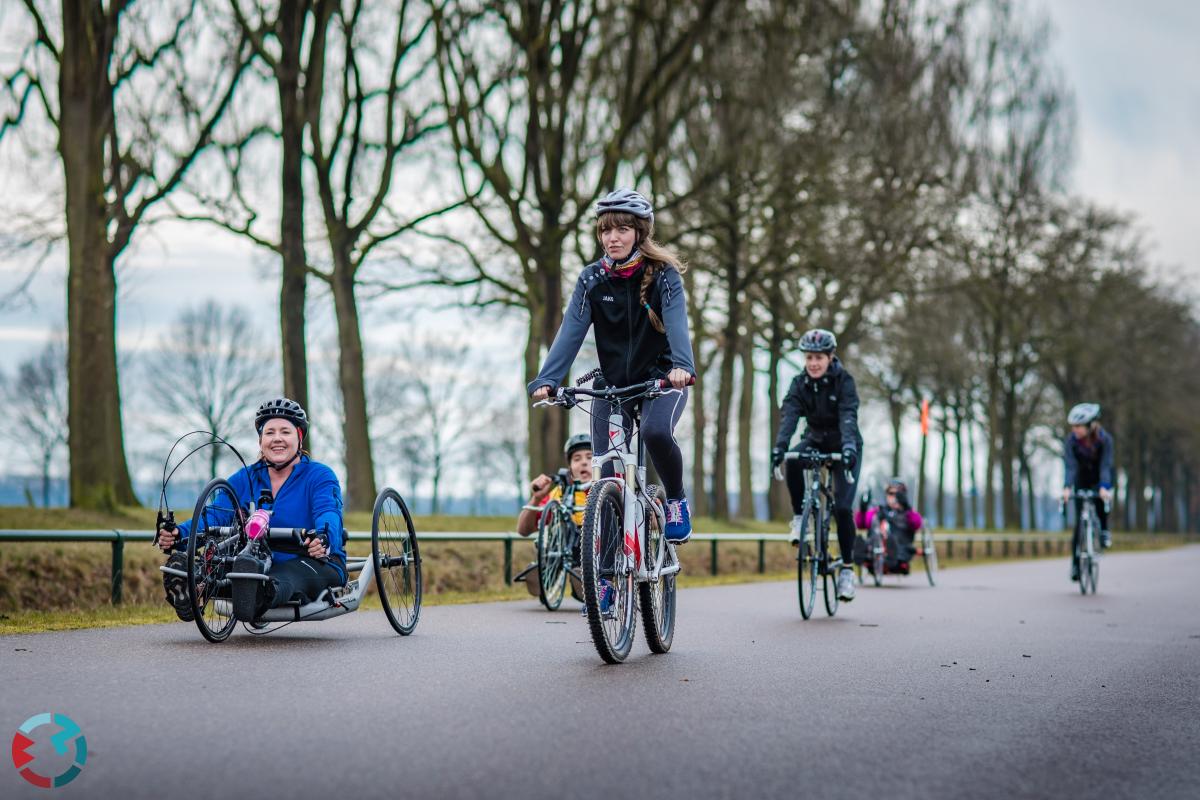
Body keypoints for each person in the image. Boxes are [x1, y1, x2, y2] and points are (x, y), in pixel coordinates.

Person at [528, 188, 696, 544]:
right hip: (613, 384)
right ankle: (604, 580)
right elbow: (571, 331)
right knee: (606, 478)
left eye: (621, 229)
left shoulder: (664, 275)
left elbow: (678, 324)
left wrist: (681, 367)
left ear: (639, 232)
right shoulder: (592, 279)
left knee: (654, 433)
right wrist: (548, 379)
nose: (612, 237)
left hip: (661, 380)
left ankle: (677, 499)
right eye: (606, 230)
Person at [157, 398, 347, 622]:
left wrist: (324, 537)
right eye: (270, 433)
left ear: (299, 437)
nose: (277, 439)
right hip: (256, 559)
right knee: (237, 570)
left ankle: (258, 592)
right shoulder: (245, 478)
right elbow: (214, 516)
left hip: (310, 558)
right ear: (260, 440)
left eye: (285, 432)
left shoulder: (320, 476)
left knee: (283, 578)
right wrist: (179, 535)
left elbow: (329, 512)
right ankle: (195, 585)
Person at [771, 329, 863, 602]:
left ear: (830, 357)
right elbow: (789, 415)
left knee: (844, 508)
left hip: (845, 445)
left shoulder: (844, 381)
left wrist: (848, 449)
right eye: (809, 357)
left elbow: (848, 416)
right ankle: (800, 518)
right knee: (794, 461)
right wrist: (780, 447)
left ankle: (847, 570)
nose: (813, 363)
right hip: (814, 440)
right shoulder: (800, 383)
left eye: (819, 358)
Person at [1062, 402, 1114, 577]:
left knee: (1101, 504)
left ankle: (1104, 531)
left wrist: (1104, 486)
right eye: (1073, 426)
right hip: (1081, 479)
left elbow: (1106, 465)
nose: (1074, 429)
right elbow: (1070, 466)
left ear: (1091, 425)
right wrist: (1067, 487)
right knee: (1079, 523)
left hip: (1100, 478)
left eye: (1078, 426)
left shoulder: (1105, 440)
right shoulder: (1071, 441)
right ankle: (1076, 565)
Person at [516, 433, 593, 536]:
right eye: (577, 459)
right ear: (570, 466)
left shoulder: (613, 492)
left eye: (590, 457)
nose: (584, 462)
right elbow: (523, 530)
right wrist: (536, 498)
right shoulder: (559, 493)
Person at [854, 478, 924, 574]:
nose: (894, 497)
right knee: (866, 540)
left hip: (900, 545)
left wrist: (906, 507)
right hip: (875, 545)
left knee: (895, 544)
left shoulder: (908, 514)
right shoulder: (878, 510)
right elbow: (861, 524)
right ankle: (861, 553)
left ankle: (891, 555)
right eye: (891, 494)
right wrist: (862, 509)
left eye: (897, 494)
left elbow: (917, 524)